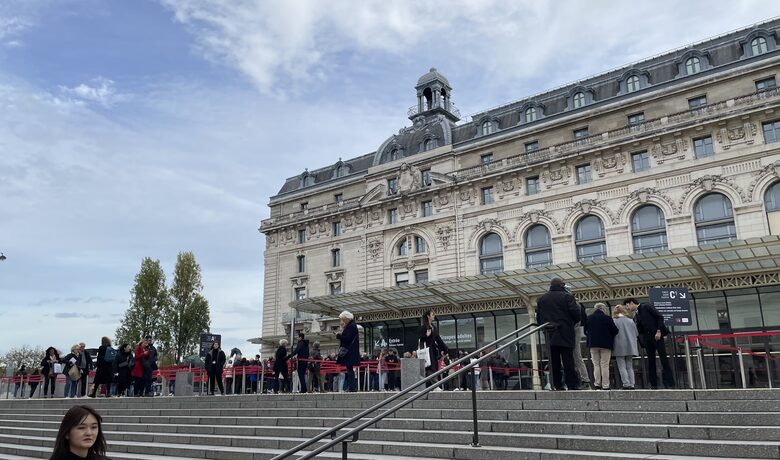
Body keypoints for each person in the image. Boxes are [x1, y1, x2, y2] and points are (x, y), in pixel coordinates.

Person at [536, 277, 581, 391]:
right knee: (568, 360)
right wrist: (570, 323)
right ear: (562, 285)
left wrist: (544, 328)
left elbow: (539, 318)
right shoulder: (567, 296)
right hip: (565, 331)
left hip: (549, 333)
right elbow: (576, 313)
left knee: (553, 361)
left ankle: (557, 384)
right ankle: (572, 384)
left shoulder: (542, 299)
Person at [625, 297, 675, 389]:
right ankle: (653, 383)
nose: (627, 308)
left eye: (627, 306)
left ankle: (670, 382)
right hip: (648, 339)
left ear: (632, 303)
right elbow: (640, 330)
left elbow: (659, 316)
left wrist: (659, 331)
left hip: (657, 336)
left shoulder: (646, 307)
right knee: (651, 361)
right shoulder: (636, 315)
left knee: (664, 359)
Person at [586, 303, 619, 390]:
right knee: (604, 365)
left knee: (596, 364)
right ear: (603, 309)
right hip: (606, 344)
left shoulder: (589, 318)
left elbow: (585, 330)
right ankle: (605, 385)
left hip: (593, 344)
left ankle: (597, 384)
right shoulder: (607, 318)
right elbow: (615, 331)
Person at [419, 310, 449, 389]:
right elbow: (421, 340)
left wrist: (445, 349)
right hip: (426, 351)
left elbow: (438, 339)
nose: (434, 316)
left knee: (433, 367)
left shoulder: (433, 327)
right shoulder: (424, 327)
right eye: (432, 314)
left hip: (433, 350)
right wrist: (426, 335)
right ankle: (435, 386)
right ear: (428, 316)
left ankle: (433, 386)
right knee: (429, 367)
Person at [612, 305, 639, 390]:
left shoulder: (614, 321)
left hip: (619, 345)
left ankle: (626, 383)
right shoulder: (630, 321)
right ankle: (632, 384)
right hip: (630, 346)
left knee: (622, 366)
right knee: (629, 366)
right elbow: (636, 333)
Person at [336, 310, 360, 392]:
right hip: (350, 351)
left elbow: (348, 338)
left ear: (347, 318)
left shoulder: (351, 326)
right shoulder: (351, 326)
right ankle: (351, 387)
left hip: (350, 352)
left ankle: (352, 387)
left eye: (343, 319)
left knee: (350, 370)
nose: (342, 321)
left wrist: (339, 336)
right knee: (349, 369)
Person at [572, 302, 592, 389]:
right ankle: (584, 379)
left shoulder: (575, 305)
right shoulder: (578, 305)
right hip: (576, 329)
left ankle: (584, 379)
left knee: (576, 356)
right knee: (577, 356)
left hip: (574, 330)